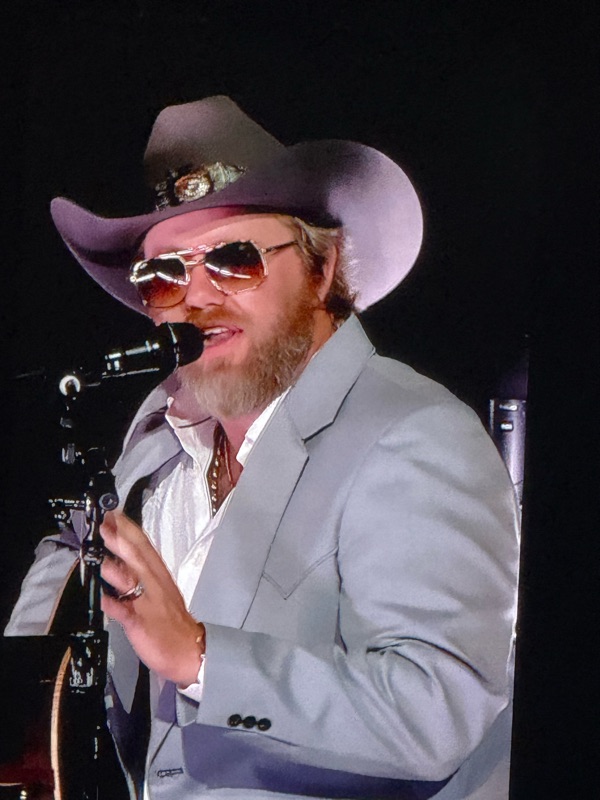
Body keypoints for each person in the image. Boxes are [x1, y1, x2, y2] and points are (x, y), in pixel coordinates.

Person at [6, 96, 520, 799]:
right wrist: (22, 702)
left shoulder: (415, 432)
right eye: (164, 275)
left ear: (320, 267)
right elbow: (70, 547)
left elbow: (436, 711)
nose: (196, 297)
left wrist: (202, 658)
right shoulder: (157, 439)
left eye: (233, 259)